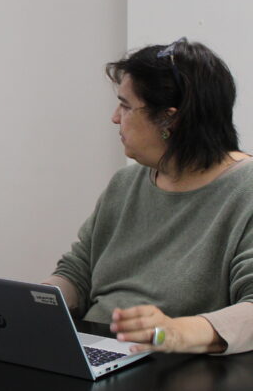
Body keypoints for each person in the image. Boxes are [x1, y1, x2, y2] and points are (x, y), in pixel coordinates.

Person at [45, 38, 253, 355]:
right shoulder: (125, 184)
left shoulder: (245, 189)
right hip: (99, 349)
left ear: (170, 119)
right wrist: (32, 304)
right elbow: (77, 273)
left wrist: (174, 333)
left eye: (126, 106)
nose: (115, 117)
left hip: (175, 365)